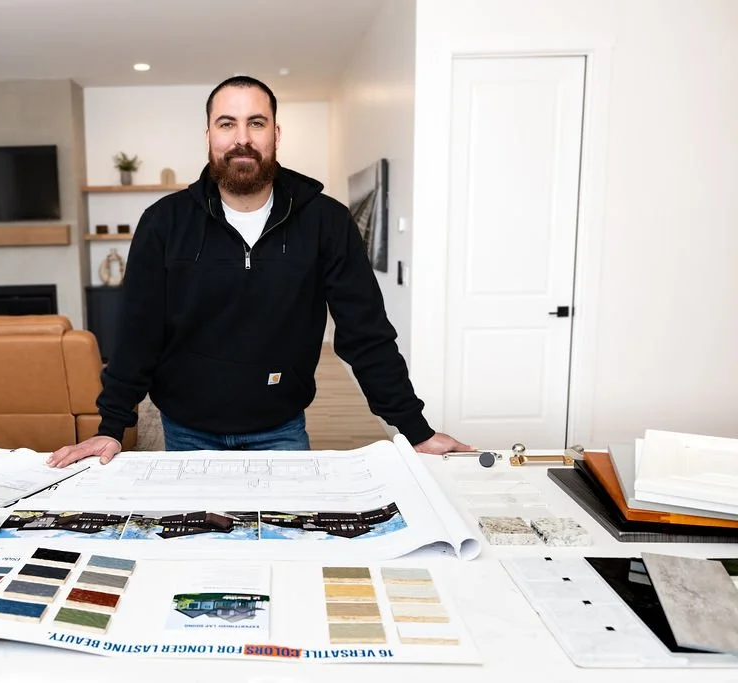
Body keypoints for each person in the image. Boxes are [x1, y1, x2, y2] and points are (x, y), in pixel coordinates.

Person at [48, 76, 469, 469]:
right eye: (227, 124)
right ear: (209, 136)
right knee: (198, 545)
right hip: (186, 432)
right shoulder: (163, 222)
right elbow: (137, 333)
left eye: (256, 123)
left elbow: (366, 334)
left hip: (280, 429)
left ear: (276, 135)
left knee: (283, 544)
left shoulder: (326, 221)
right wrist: (111, 427)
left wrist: (415, 430)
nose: (242, 138)